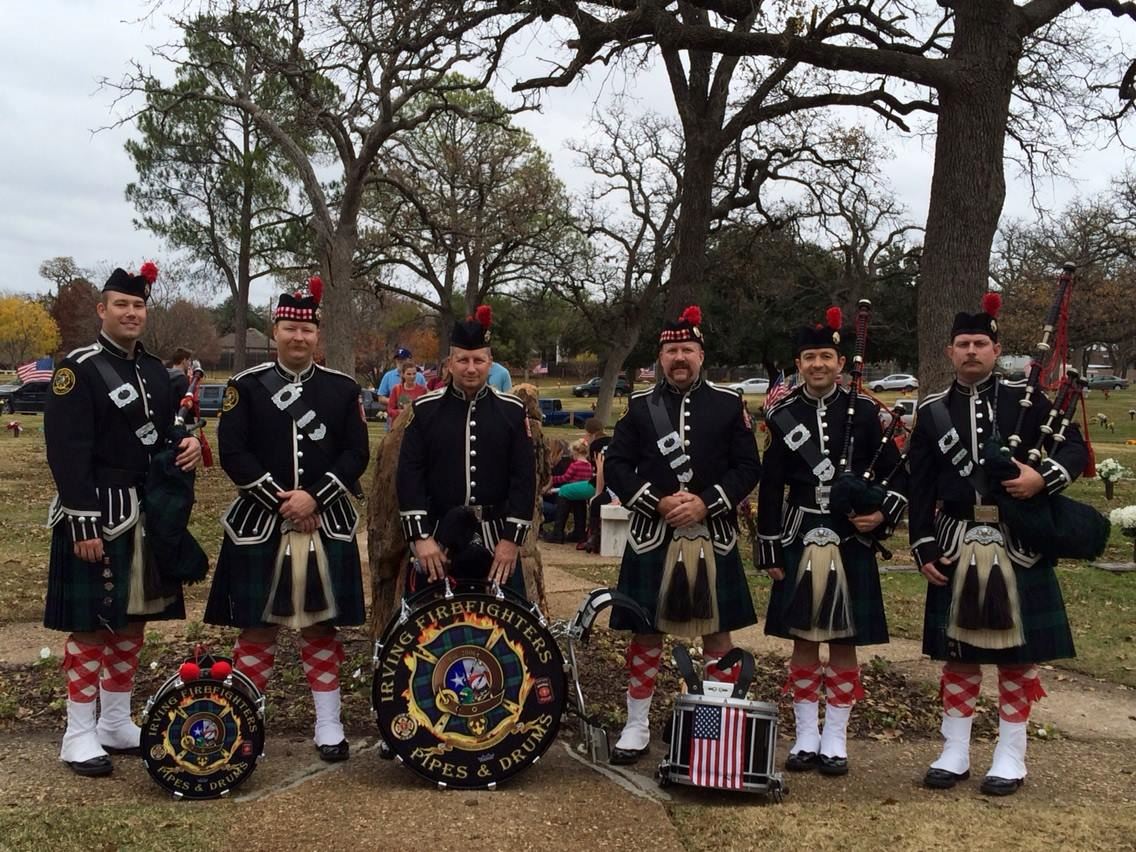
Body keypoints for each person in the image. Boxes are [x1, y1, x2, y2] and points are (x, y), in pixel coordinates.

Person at [907, 293, 1087, 796]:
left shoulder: (1024, 399)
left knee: (1015, 656)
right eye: (962, 344)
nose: (971, 351)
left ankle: (1012, 754)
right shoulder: (932, 411)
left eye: (980, 344)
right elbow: (918, 485)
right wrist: (922, 544)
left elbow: (1074, 447)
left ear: (995, 348)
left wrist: (1042, 478)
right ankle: (955, 750)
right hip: (957, 539)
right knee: (959, 653)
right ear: (949, 352)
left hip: (1018, 541)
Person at [44, 262, 203, 777]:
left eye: (138, 306)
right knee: (90, 626)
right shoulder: (80, 369)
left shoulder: (158, 373)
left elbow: (162, 439)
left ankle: (114, 720)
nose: (131, 313)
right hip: (99, 512)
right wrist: (83, 521)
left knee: (134, 621)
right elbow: (67, 451)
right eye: (121, 305)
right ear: (102, 309)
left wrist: (191, 447)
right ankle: (78, 732)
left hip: (147, 511)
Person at [204, 276, 369, 763]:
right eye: (289, 329)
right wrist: (284, 501)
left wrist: (314, 497)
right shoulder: (245, 388)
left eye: (307, 331)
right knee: (257, 627)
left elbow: (356, 453)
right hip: (261, 522)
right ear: (274, 330)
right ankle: (245, 720)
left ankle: (329, 724)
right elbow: (233, 453)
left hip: (327, 521)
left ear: (317, 335)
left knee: (321, 628)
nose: (299, 338)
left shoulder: (342, 390)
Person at [603, 305, 761, 765]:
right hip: (655, 533)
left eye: (687, 349)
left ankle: (712, 725)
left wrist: (707, 501)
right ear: (660, 356)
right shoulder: (638, 408)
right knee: (645, 631)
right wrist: (657, 500)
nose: (680, 357)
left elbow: (748, 467)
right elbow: (615, 466)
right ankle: (636, 724)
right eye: (672, 350)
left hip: (714, 535)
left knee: (717, 633)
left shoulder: (729, 405)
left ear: (701, 354)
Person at [756, 308, 908, 777]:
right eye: (809, 357)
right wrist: (769, 548)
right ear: (798, 363)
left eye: (826, 356)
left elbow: (897, 476)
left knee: (844, 640)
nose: (818, 364)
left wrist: (882, 514)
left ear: (840, 363)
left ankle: (836, 737)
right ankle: (804, 735)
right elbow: (771, 485)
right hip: (800, 530)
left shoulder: (865, 413)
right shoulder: (783, 416)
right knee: (803, 638)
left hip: (849, 537)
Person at [396, 305, 535, 596]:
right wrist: (420, 537)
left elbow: (524, 479)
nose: (470, 368)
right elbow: (410, 476)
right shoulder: (424, 410)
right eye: (462, 360)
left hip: (497, 537)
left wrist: (511, 541)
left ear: (490, 362)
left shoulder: (512, 411)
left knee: (508, 633)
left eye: (478, 360)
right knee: (429, 632)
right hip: (438, 537)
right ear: (449, 362)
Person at [540, 438, 594, 544]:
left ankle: (558, 532)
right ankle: (580, 533)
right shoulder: (589, 465)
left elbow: (566, 478)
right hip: (583, 492)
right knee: (580, 507)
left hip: (572, 490)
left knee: (564, 493)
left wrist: (554, 479)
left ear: (575, 453)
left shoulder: (574, 465)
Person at [377, 347, 426, 430]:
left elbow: (424, 399)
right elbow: (380, 398)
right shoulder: (388, 376)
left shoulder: (420, 377)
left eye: (402, 359)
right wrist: (396, 401)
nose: (400, 361)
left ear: (409, 359)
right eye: (398, 359)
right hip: (395, 421)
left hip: (415, 422)